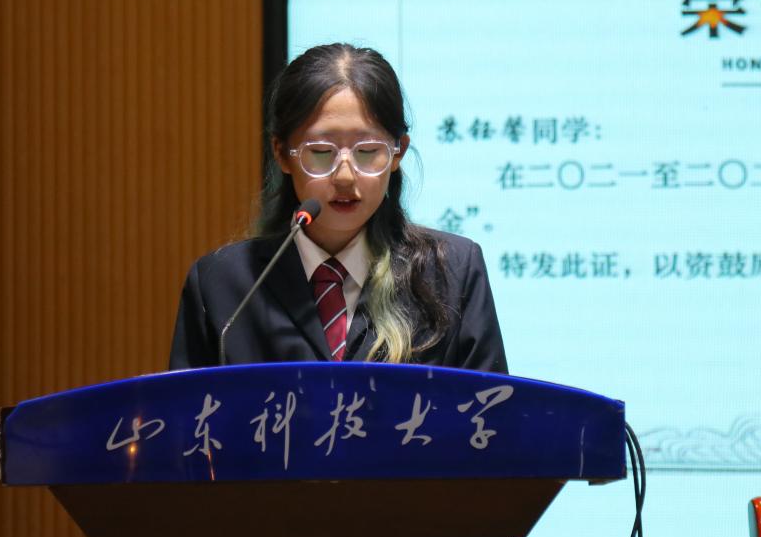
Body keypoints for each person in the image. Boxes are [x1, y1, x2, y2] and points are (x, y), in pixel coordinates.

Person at [169, 43, 507, 372]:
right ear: (282, 153)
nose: (345, 176)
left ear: (397, 153)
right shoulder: (222, 285)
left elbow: (489, 406)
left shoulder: (452, 273)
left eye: (367, 151)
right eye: (321, 152)